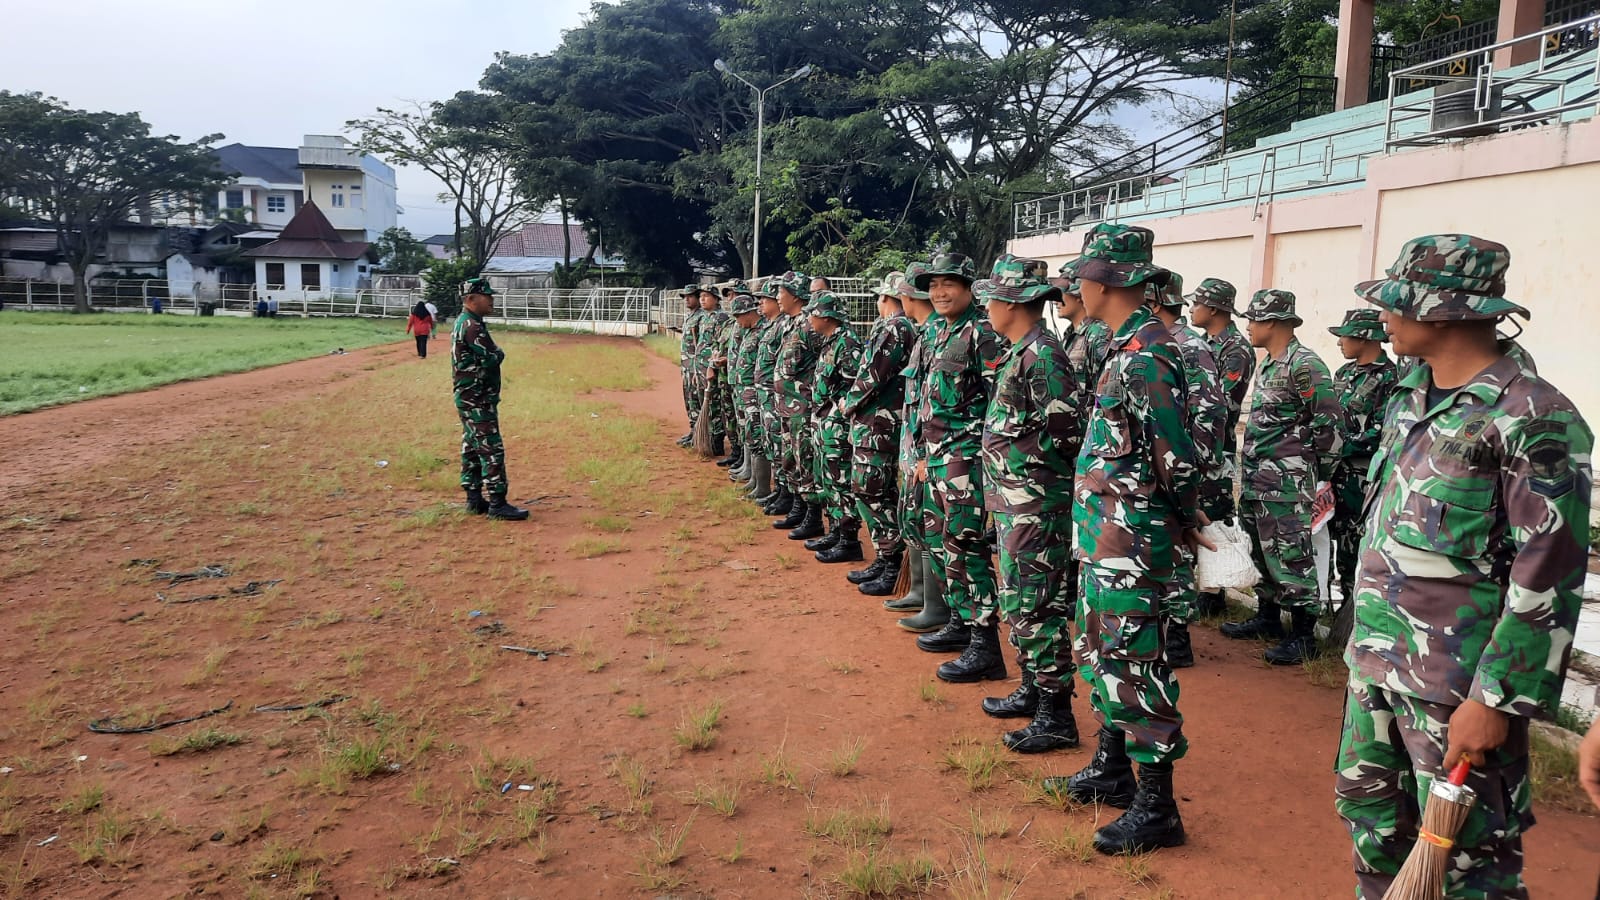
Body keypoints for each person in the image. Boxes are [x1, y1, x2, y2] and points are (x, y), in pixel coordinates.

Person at [1335, 234, 1592, 899]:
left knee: (1469, 870)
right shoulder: (1411, 395)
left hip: (1456, 692)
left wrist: (1494, 699)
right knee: (1375, 833)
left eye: (1396, 302)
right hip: (1378, 670)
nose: (1382, 315)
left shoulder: (1531, 416)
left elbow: (1549, 573)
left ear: (1443, 312)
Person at [1044, 223, 1204, 855]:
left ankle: (1158, 803)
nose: (1075, 284)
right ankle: (1113, 767)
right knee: (1101, 653)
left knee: (1134, 661)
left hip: (1132, 538)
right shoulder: (1124, 345)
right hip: (1106, 534)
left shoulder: (1145, 354)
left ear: (1104, 280)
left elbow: (1176, 453)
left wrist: (1186, 519)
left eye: (1081, 274)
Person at [978, 256, 1083, 754]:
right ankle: (1032, 687)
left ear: (1013, 303)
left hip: (1035, 504)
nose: (988, 305)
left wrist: (1031, 479)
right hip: (1016, 502)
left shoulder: (1042, 354)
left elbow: (1066, 433)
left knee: (1035, 605)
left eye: (993, 297)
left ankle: (1056, 715)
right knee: (1019, 602)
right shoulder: (1021, 349)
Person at [1219, 288, 1340, 666]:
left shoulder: (1304, 364)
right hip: (1259, 480)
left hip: (1287, 484)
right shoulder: (1270, 363)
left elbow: (1330, 423)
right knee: (1262, 550)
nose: (1249, 327)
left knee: (1292, 556)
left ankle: (1303, 634)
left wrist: (1315, 473)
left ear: (1272, 322)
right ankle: (1269, 617)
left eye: (1253, 320)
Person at [911, 252, 1008, 683]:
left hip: (964, 462)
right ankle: (961, 623)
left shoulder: (983, 333)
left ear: (969, 287)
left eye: (948, 283)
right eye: (933, 285)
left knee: (967, 550)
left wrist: (981, 461)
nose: (939, 292)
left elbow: (998, 404)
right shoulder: (937, 331)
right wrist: (921, 455)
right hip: (935, 460)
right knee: (941, 546)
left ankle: (986, 646)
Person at [1145, 274, 1229, 669]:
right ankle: (1162, 634)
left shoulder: (1186, 346)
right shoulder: (1156, 343)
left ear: (1155, 304)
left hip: (1181, 467)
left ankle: (1177, 641)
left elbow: (1210, 411)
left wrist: (1188, 468)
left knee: (1177, 553)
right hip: (1161, 466)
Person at [839, 272, 918, 596]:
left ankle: (890, 560)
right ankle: (885, 557)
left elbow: (872, 375)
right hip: (878, 423)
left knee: (872, 489)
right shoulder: (897, 327)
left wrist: (848, 403)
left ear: (887, 299)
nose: (876, 303)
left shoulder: (896, 327)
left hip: (879, 424)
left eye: (879, 297)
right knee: (874, 490)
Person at [889, 264, 952, 633]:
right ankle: (921, 593)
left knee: (937, 530)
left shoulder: (949, 335)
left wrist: (928, 453)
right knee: (916, 520)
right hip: (918, 445)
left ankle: (938, 606)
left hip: (938, 454)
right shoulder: (929, 335)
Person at [1186, 277, 1254, 616]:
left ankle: (1214, 594)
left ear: (1213, 308)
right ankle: (1203, 587)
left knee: (1213, 515)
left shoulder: (1236, 350)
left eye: (1196, 304)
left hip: (1217, 447)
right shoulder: (1204, 344)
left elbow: (1221, 402)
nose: (1191, 309)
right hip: (1196, 443)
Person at [1326, 309, 1397, 608]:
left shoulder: (1390, 378)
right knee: (1329, 536)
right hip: (1334, 473)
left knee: (1354, 544)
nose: (1340, 342)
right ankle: (1329, 600)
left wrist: (1341, 445)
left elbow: (1386, 430)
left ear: (1364, 337)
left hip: (1361, 475)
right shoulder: (1344, 374)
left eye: (1345, 335)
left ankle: (1352, 609)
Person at [452, 277, 529, 521]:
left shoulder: (464, 322)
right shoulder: (473, 327)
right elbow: (493, 355)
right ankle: (497, 503)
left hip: (469, 396)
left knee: (472, 447)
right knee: (490, 447)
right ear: (471, 299)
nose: (492, 300)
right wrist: (497, 354)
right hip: (477, 398)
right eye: (487, 296)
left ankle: (474, 499)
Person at [802, 291, 866, 563]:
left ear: (825, 316)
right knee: (827, 479)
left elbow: (854, 386)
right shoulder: (830, 341)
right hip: (824, 422)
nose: (809, 319)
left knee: (840, 482)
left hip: (837, 425)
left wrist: (838, 412)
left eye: (812, 314)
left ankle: (849, 541)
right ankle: (835, 530)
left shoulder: (847, 343)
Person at [771, 272, 825, 539]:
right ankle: (797, 507)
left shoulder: (810, 325)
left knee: (805, 461)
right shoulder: (790, 323)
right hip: (786, 406)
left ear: (794, 295)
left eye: (781, 292)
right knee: (790, 459)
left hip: (802, 408)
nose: (777, 297)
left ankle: (813, 516)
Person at [696, 285, 732, 459]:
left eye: (706, 296)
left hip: (714, 369)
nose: (702, 299)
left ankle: (716, 442)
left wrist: (711, 366)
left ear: (716, 299)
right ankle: (706, 437)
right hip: (702, 366)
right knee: (707, 404)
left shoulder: (721, 318)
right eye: (701, 296)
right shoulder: (704, 318)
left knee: (716, 406)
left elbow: (718, 344)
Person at [676, 285, 704, 447]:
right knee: (689, 399)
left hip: (695, 366)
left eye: (690, 296)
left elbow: (700, 344)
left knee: (696, 400)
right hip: (686, 366)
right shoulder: (689, 316)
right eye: (685, 296)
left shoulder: (701, 317)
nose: (687, 299)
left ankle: (699, 434)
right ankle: (693, 430)